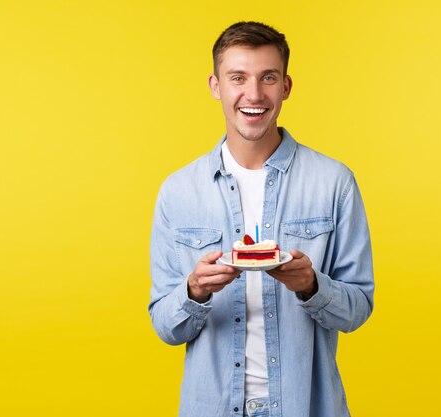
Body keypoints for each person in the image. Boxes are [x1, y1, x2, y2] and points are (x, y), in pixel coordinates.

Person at [149, 21, 374, 417]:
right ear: (216, 86)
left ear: (286, 86)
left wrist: (311, 285)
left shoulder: (334, 182)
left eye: (267, 78)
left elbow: (357, 309)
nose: (253, 95)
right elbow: (166, 327)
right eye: (238, 77)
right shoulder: (178, 191)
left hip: (306, 405)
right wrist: (194, 290)